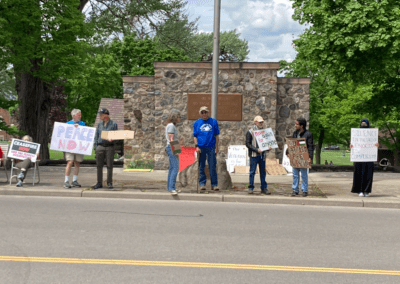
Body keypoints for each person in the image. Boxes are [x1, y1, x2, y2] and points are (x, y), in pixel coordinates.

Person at [193, 106, 220, 192]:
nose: (204, 114)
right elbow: (195, 136)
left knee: (212, 166)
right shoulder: (197, 123)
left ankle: (214, 184)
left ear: (208, 113)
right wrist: (196, 146)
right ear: (200, 113)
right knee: (201, 166)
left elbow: (217, 136)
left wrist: (217, 147)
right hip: (201, 148)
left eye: (205, 112)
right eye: (202, 112)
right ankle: (202, 184)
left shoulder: (213, 121)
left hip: (211, 147)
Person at [350, 119, 379, 197]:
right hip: (359, 158)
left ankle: (366, 191)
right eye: (362, 123)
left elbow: (374, 144)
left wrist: (377, 145)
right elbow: (354, 143)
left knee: (368, 175)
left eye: (365, 123)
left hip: (369, 158)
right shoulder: (356, 134)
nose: (363, 125)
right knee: (359, 174)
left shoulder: (372, 134)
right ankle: (359, 190)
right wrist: (351, 146)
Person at [246, 116, 272, 195]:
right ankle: (250, 188)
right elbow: (247, 143)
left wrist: (268, 148)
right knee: (252, 172)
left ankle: (264, 188)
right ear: (255, 122)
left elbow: (266, 142)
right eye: (260, 122)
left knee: (263, 172)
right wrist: (256, 149)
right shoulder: (250, 132)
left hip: (262, 155)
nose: (261, 123)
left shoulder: (264, 132)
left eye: (262, 122)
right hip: (254, 155)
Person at [288, 118, 313, 197]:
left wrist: (310, 157)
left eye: (297, 124)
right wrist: (288, 153)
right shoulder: (295, 133)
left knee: (304, 174)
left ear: (301, 126)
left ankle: (305, 190)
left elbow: (310, 147)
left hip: (304, 156)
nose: (295, 125)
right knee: (295, 174)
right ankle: (295, 190)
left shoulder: (308, 134)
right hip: (296, 156)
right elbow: (292, 144)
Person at [94, 108, 118, 189]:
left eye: (101, 114)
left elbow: (117, 136)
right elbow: (96, 136)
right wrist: (96, 147)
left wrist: (113, 140)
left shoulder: (114, 124)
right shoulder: (99, 124)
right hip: (100, 146)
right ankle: (99, 183)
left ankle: (109, 183)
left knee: (109, 165)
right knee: (99, 165)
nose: (100, 116)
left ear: (106, 115)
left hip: (109, 147)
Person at [64, 109, 86, 188]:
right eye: (79, 115)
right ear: (74, 116)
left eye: (80, 115)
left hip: (79, 146)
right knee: (70, 162)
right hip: (70, 146)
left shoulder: (82, 123)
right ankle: (66, 181)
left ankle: (74, 181)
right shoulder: (68, 124)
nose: (80, 116)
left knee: (77, 163)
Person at [165, 112, 182, 195]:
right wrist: (175, 150)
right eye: (179, 117)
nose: (180, 119)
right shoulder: (171, 126)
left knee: (172, 168)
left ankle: (170, 187)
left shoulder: (171, 125)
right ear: (175, 118)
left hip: (171, 146)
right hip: (172, 147)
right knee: (175, 168)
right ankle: (172, 188)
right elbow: (171, 138)